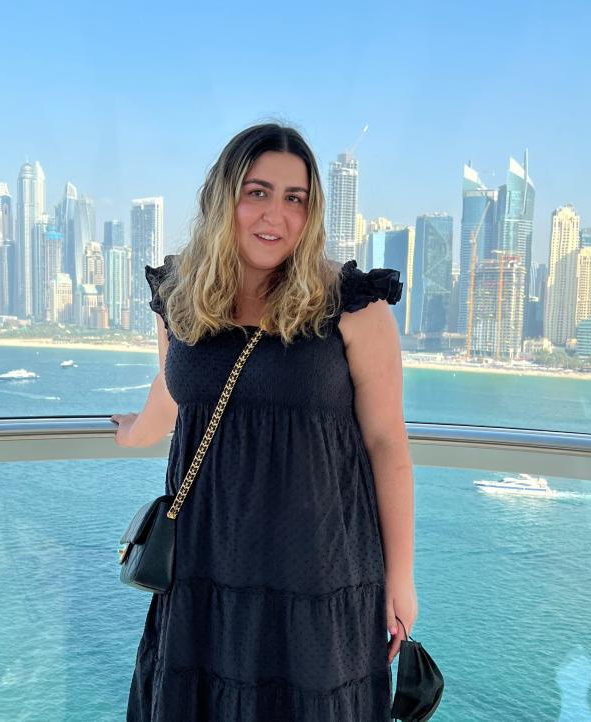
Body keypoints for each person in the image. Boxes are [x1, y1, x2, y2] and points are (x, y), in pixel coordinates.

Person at [110, 123, 415, 721]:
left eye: (294, 197)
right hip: (204, 568)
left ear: (312, 210)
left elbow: (386, 445)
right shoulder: (181, 298)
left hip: (317, 575)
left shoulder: (353, 307)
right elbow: (175, 389)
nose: (275, 214)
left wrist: (399, 578)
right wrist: (136, 432)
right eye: (257, 192)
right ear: (225, 198)